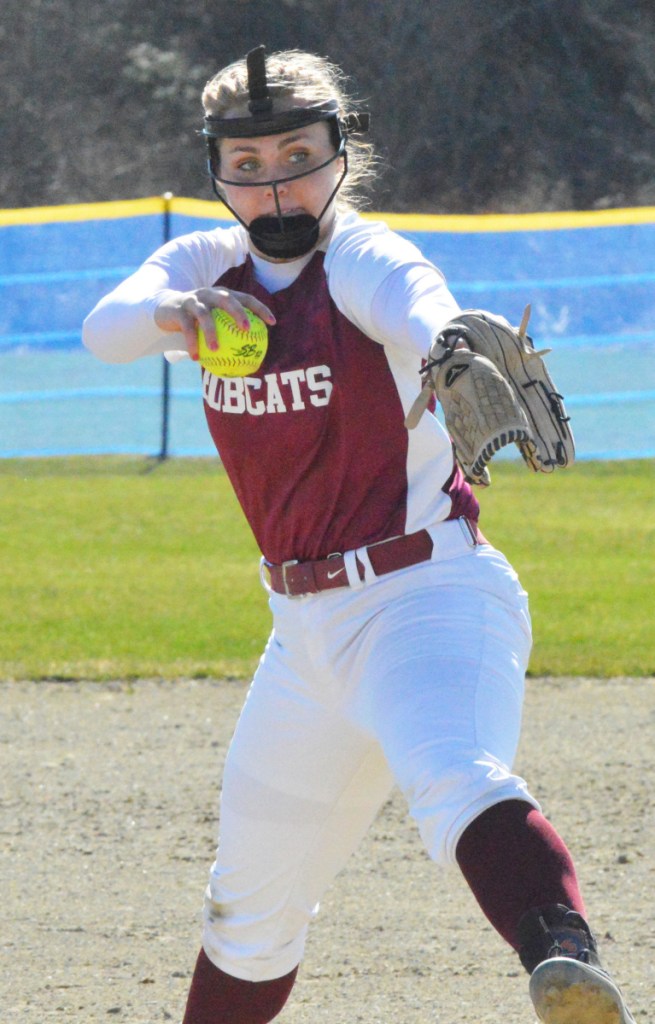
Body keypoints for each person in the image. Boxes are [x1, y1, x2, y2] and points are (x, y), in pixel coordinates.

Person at [83, 45, 637, 1024]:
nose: (275, 182)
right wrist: (179, 311)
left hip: (424, 597)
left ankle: (565, 964)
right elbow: (107, 328)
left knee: (451, 776)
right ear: (217, 170)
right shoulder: (205, 266)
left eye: (297, 153)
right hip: (299, 637)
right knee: (249, 907)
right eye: (247, 164)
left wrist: (447, 343)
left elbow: (413, 299)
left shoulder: (358, 259)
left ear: (342, 153)